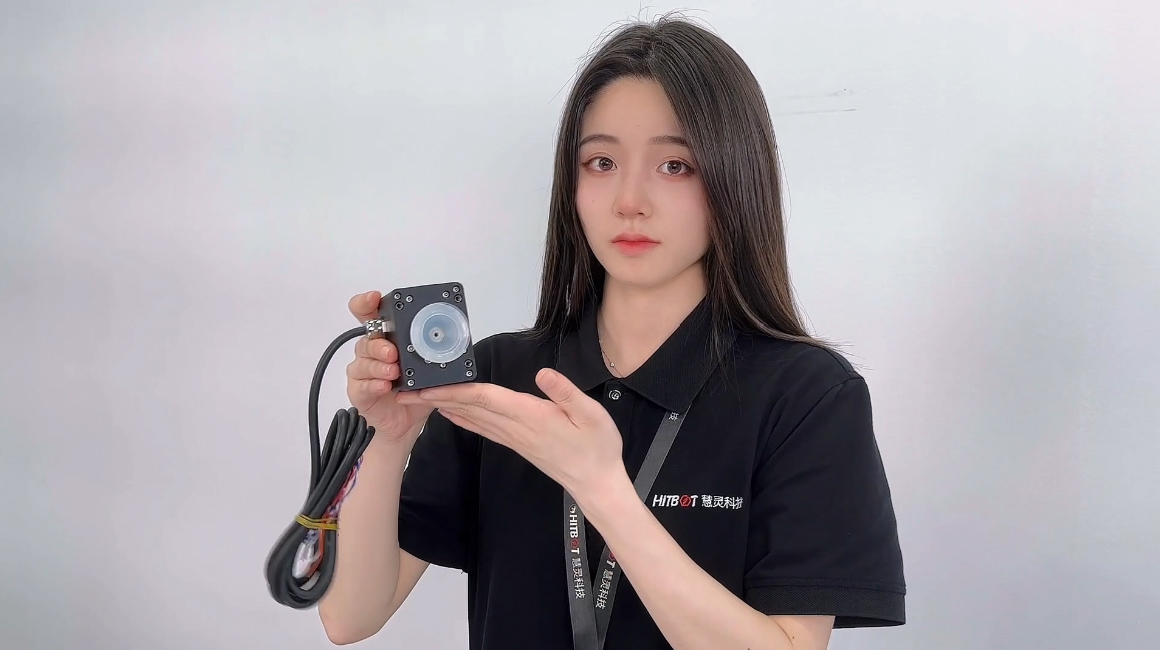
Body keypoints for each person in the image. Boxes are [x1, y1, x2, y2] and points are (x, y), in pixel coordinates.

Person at [318, 15, 905, 650]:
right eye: (601, 162)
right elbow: (349, 618)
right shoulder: (496, 381)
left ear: (734, 177)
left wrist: (601, 487)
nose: (630, 200)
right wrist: (389, 441)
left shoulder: (808, 397)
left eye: (674, 165)